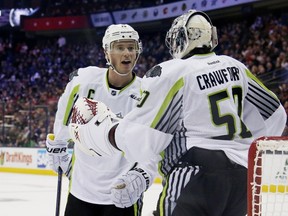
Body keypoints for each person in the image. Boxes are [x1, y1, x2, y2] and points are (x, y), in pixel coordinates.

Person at [68, 10, 287, 216]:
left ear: (184, 38)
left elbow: (145, 137)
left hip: (196, 174)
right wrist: (240, 145)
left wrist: (106, 133)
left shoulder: (172, 72)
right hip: (242, 179)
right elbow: (276, 114)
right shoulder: (235, 66)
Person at [46, 24, 157, 216]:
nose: (127, 54)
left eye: (131, 48)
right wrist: (59, 143)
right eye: (120, 47)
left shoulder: (146, 92)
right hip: (81, 190)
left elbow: (151, 146)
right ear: (106, 52)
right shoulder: (84, 81)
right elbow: (64, 114)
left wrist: (142, 175)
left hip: (122, 193)